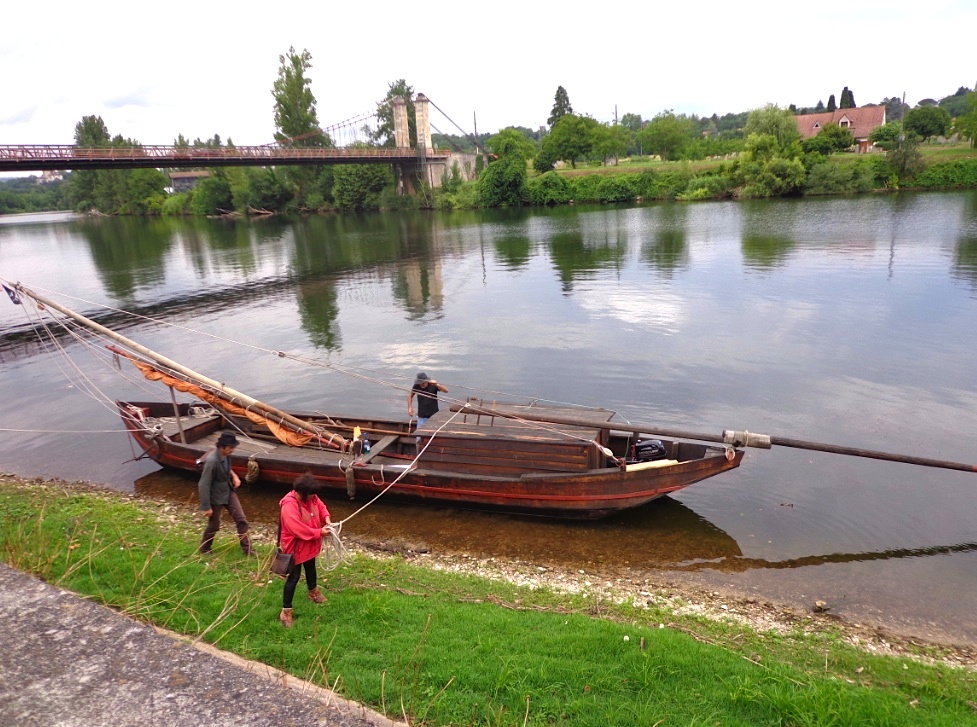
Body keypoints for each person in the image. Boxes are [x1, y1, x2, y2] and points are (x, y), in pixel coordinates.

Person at [278, 473, 332, 628]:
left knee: (310, 567)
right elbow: (296, 528)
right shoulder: (289, 505)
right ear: (301, 493)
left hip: (309, 544)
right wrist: (319, 533)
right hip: (295, 546)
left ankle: (313, 592)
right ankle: (286, 610)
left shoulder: (310, 496)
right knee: (293, 577)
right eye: (311, 495)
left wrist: (326, 518)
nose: (313, 498)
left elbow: (321, 506)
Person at [197, 431, 254, 556]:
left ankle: (248, 550)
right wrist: (206, 507)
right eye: (231, 447)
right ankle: (205, 548)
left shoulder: (226, 455)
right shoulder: (211, 461)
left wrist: (234, 476)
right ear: (222, 447)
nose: (233, 450)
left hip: (228, 491)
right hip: (215, 496)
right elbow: (203, 484)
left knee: (241, 520)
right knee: (214, 525)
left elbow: (226, 468)